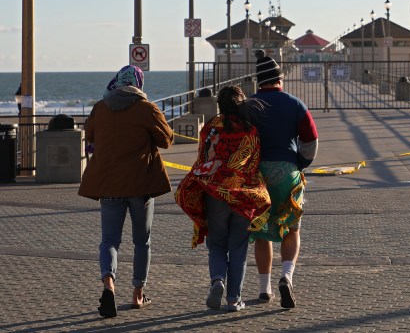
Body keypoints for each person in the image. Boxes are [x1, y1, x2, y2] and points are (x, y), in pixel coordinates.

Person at [78, 65, 174, 319]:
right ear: (138, 84)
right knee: (142, 241)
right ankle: (137, 294)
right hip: (140, 186)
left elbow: (89, 135)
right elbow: (167, 140)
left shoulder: (101, 107)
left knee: (109, 241)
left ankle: (109, 284)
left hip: (109, 184)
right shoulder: (147, 108)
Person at [175, 86, 271, 312]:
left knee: (217, 244)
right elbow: (254, 163)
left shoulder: (209, 129)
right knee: (238, 247)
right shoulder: (250, 130)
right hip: (242, 195)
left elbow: (202, 160)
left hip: (214, 193)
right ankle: (233, 299)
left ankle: (218, 280)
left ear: (220, 105)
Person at [249, 50, 319, 309]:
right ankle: (286, 276)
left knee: (261, 233)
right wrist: (301, 163)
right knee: (292, 228)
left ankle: (264, 289)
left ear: (259, 81)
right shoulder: (295, 104)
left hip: (257, 175)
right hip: (287, 172)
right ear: (280, 79)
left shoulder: (249, 105)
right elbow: (311, 139)